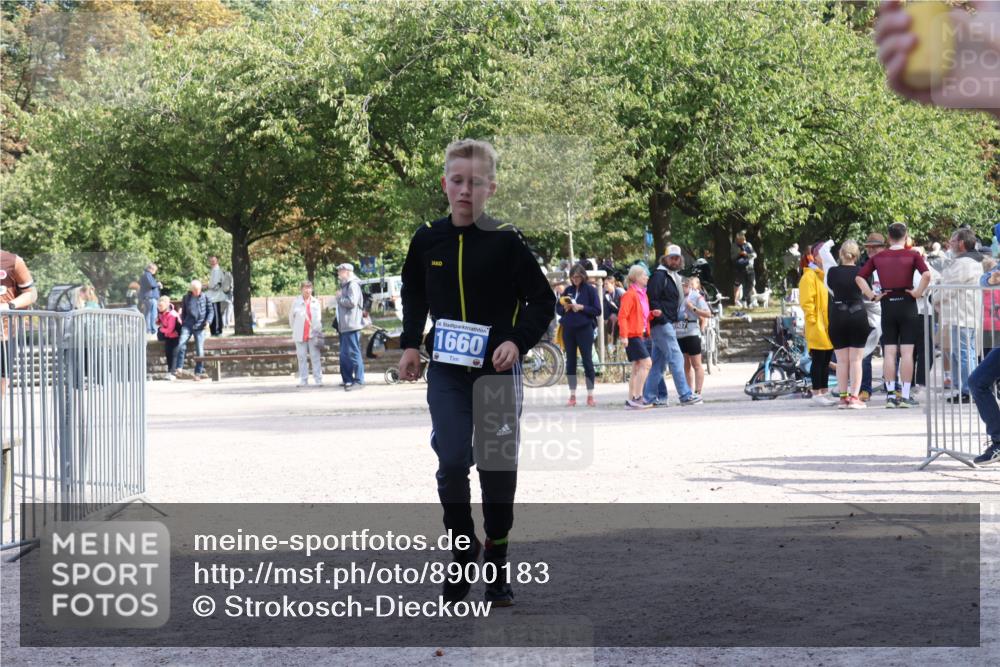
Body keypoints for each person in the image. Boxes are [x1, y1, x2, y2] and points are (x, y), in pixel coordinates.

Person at [398, 138, 555, 606]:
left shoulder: (507, 240)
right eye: (458, 181)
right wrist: (410, 344)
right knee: (450, 461)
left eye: (476, 182)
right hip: (446, 371)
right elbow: (413, 294)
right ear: (445, 183)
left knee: (496, 467)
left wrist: (515, 340)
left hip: (496, 372)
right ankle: (463, 549)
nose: (466, 190)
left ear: (491, 187)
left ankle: (498, 563)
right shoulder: (427, 238)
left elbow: (542, 301)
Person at [855, 222, 931, 408]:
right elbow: (927, 275)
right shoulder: (913, 255)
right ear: (906, 236)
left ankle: (890, 396)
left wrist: (872, 295)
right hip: (907, 303)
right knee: (907, 352)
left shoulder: (879, 257)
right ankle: (905, 396)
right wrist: (918, 292)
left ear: (888, 238)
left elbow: (859, 277)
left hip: (887, 302)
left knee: (889, 352)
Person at [642, 246, 702, 407]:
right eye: (672, 258)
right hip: (662, 324)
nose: (674, 261)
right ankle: (685, 395)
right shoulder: (659, 276)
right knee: (677, 358)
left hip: (665, 323)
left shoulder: (671, 276)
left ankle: (648, 397)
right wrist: (661, 317)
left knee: (658, 364)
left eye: (677, 258)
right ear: (665, 259)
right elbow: (652, 298)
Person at [821, 240, 871, 409]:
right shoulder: (862, 271)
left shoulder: (832, 272)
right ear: (856, 255)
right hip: (857, 314)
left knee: (842, 361)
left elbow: (832, 289)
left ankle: (842, 398)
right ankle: (854, 397)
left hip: (838, 314)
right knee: (856, 360)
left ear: (840, 254)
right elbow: (867, 291)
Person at [936, 228, 983, 404]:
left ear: (961, 243)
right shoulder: (974, 261)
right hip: (966, 314)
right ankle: (965, 388)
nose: (950, 244)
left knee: (963, 354)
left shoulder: (963, 263)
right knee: (965, 353)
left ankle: (967, 390)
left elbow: (948, 286)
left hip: (961, 315)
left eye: (953, 241)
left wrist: (935, 298)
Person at [800, 243, 838, 405]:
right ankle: (817, 392)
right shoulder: (809, 276)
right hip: (817, 325)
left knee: (826, 359)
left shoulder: (824, 275)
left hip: (827, 324)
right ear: (816, 257)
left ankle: (824, 391)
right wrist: (812, 321)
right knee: (818, 360)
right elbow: (807, 302)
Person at [559, 264, 600, 407]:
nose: (575, 279)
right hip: (569, 329)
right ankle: (572, 395)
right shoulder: (567, 290)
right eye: (573, 277)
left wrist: (581, 307)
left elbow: (597, 310)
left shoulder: (590, 290)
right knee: (570, 361)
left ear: (583, 276)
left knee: (587, 360)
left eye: (577, 276)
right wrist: (565, 307)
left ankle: (590, 395)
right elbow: (558, 308)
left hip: (584, 329)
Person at [0, 249, 38, 396]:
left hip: (4, 335)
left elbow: (31, 293)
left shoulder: (12, 261)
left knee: (2, 381)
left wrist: (9, 306)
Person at [619, 264, 655, 409]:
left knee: (637, 367)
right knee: (647, 363)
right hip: (632, 335)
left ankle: (631, 400)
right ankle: (638, 398)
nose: (647, 277)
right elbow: (622, 316)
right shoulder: (630, 294)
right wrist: (624, 336)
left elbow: (640, 315)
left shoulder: (643, 294)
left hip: (640, 334)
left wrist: (652, 315)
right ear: (636, 278)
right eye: (644, 275)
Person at [858, 233, 886, 402]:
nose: (870, 250)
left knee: (890, 351)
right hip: (868, 311)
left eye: (874, 247)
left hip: (888, 309)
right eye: (868, 247)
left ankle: (893, 388)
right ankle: (865, 389)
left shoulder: (889, 263)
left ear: (882, 247)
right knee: (865, 352)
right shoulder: (863, 264)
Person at [676, 276, 711, 396]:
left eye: (684, 286)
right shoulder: (677, 297)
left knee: (696, 363)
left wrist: (693, 309)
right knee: (685, 364)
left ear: (689, 286)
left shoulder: (696, 296)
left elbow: (708, 314)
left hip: (691, 333)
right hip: (679, 333)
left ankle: (698, 391)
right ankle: (688, 392)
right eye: (680, 287)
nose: (682, 289)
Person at [174, 279, 214, 380]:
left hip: (200, 326)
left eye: (199, 289)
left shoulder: (206, 298)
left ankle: (198, 373)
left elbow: (211, 311)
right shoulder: (186, 298)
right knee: (181, 344)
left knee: (200, 350)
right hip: (188, 325)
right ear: (191, 290)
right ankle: (179, 368)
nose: (197, 291)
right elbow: (183, 313)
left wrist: (208, 322)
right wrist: (184, 322)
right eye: (195, 290)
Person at [336, 262, 365, 390]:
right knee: (344, 354)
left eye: (340, 271)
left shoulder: (353, 284)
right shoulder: (346, 285)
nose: (338, 273)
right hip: (345, 326)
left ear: (347, 272)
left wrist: (339, 299)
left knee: (354, 353)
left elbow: (352, 302)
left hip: (351, 325)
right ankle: (348, 379)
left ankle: (359, 381)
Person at [290, 280, 324, 387]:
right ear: (301, 289)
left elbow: (319, 318)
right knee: (301, 357)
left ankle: (318, 379)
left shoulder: (316, 302)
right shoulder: (296, 302)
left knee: (315, 356)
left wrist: (317, 331)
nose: (307, 290)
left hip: (313, 334)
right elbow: (291, 318)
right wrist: (295, 329)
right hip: (300, 333)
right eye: (305, 288)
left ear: (312, 289)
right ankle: (303, 380)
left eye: (309, 288)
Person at [155, 295, 181, 378]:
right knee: (168, 354)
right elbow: (161, 323)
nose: (159, 308)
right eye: (158, 306)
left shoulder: (172, 314)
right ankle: (170, 372)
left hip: (175, 336)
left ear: (166, 305)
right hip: (168, 336)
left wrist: (161, 330)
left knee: (173, 355)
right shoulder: (161, 313)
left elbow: (170, 329)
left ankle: (173, 373)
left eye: (161, 306)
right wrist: (158, 321)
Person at [731, 230, 756, 307]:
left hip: (750, 267)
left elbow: (754, 255)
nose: (743, 242)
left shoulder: (748, 245)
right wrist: (739, 253)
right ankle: (744, 301)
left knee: (751, 283)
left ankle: (746, 300)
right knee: (742, 284)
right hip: (740, 268)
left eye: (744, 240)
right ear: (737, 240)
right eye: (741, 240)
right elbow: (732, 257)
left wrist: (747, 255)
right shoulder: (734, 246)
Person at [206, 256, 228, 337]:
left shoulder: (218, 271)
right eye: (211, 261)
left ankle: (218, 331)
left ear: (217, 261)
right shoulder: (213, 271)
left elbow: (217, 285)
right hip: (212, 297)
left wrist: (207, 286)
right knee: (212, 314)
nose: (212, 262)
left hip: (215, 297)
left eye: (214, 261)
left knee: (216, 314)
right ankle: (213, 331)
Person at [138, 263, 161, 335]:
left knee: (148, 314)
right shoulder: (147, 275)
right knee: (152, 314)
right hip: (150, 298)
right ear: (151, 269)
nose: (155, 272)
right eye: (155, 270)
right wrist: (158, 284)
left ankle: (148, 330)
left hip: (148, 298)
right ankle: (152, 330)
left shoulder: (146, 275)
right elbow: (151, 284)